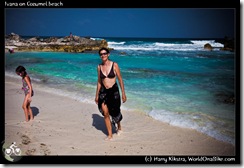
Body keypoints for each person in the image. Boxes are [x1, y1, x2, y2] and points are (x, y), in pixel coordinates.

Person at [95, 47, 127, 141]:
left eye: (105, 53)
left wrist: (123, 94)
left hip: (114, 92)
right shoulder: (99, 67)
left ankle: (119, 126)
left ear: (108, 54)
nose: (103, 55)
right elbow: (99, 82)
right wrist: (97, 95)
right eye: (101, 54)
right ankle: (110, 135)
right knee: (105, 113)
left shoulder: (114, 65)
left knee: (115, 112)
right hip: (103, 92)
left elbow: (120, 79)